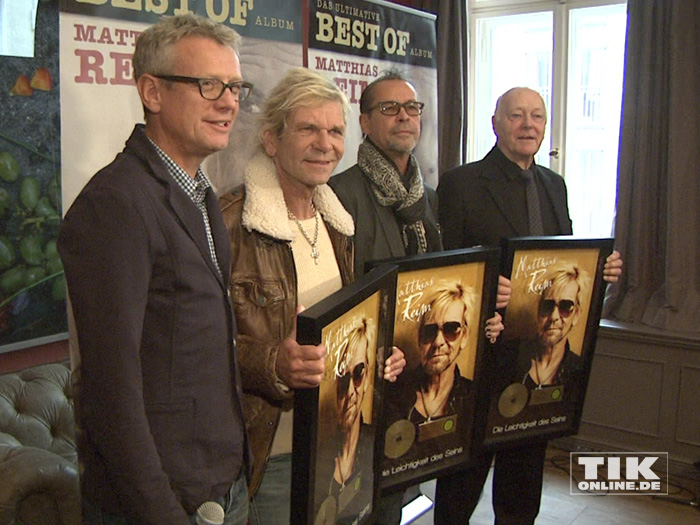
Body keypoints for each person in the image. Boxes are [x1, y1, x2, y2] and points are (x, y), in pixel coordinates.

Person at [57, 15, 251, 524]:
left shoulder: (203, 197)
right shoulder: (115, 204)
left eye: (234, 86)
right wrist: (161, 513)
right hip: (162, 502)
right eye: (208, 85)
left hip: (221, 484)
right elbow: (110, 390)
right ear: (152, 91)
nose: (228, 101)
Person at [218, 67, 404, 525]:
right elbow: (192, 347)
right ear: (271, 139)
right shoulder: (228, 222)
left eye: (335, 130)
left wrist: (379, 351)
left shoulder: (337, 223)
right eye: (307, 128)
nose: (326, 144)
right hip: (269, 456)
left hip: (337, 444)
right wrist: (272, 364)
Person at [435, 86, 623, 524]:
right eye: (517, 115)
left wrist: (599, 269)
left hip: (537, 359)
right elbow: (443, 272)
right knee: (460, 487)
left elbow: (562, 261)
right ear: (495, 123)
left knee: (521, 495)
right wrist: (483, 293)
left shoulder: (554, 186)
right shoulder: (461, 184)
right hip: (480, 356)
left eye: (536, 116)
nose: (528, 124)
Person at [330, 70, 506, 525]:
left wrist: (481, 306)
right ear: (365, 123)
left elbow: (445, 280)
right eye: (389, 109)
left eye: (412, 108)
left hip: (418, 376)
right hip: (369, 380)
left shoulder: (427, 197)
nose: (404, 117)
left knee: (399, 500)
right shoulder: (339, 194)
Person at [521, 263, 590, 390]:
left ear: (576, 315)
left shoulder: (580, 371)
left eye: (565, 306)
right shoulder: (511, 358)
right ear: (538, 311)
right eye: (547, 306)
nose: (554, 317)